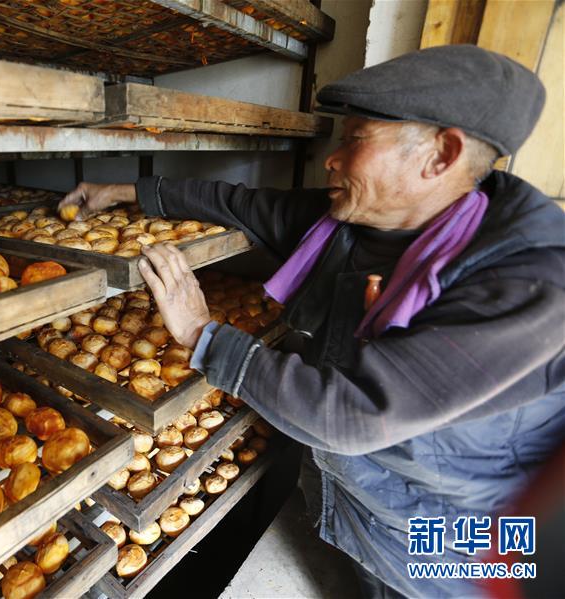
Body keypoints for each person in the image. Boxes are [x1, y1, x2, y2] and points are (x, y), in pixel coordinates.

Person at [59, 45, 565, 597]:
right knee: (363, 579)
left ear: (440, 155)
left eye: (354, 139)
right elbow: (240, 204)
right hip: (359, 496)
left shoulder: (531, 281)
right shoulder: (366, 219)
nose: (331, 158)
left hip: (458, 534)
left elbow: (353, 414)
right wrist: (124, 192)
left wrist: (201, 333)